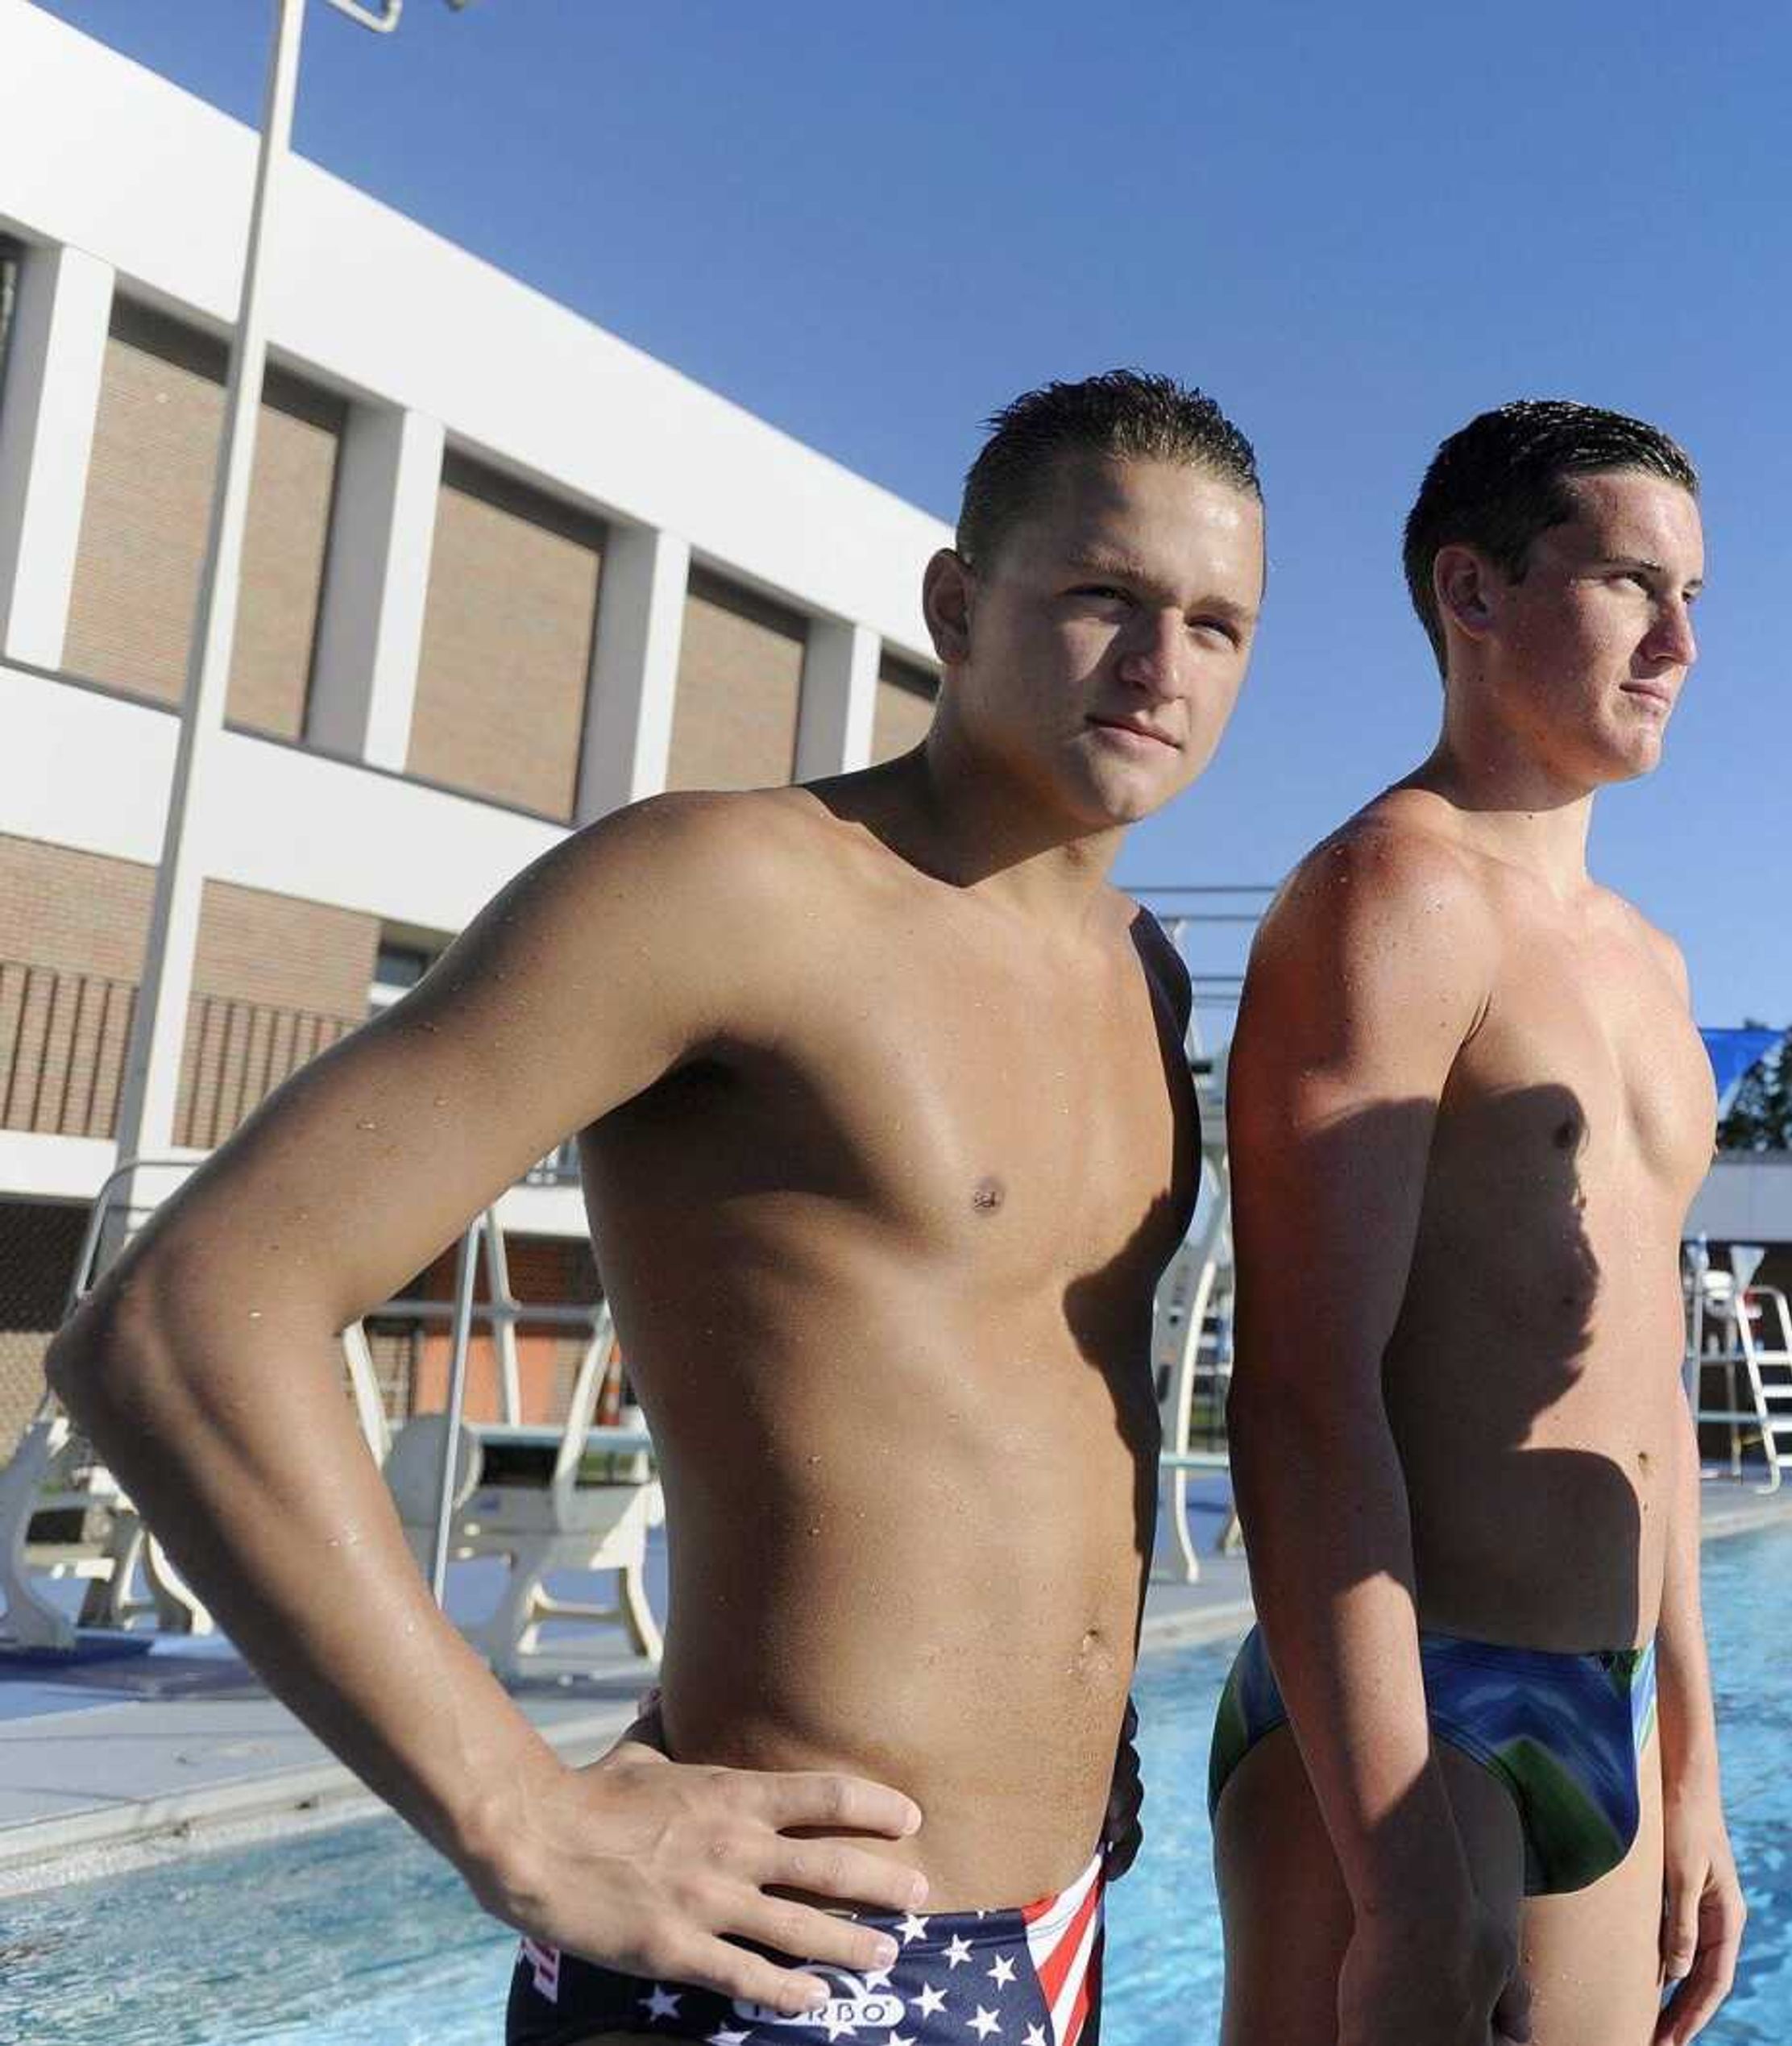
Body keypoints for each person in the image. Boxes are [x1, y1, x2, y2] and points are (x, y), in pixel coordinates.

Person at [44, 370, 1267, 2046]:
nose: (1160, 666)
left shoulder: (1149, 983)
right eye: (1105, 598)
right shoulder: (729, 890)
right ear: (957, 605)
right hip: (778, 1962)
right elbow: (179, 1324)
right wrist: (514, 1813)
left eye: (1217, 626)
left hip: (1059, 1928)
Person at [1207, 400, 1744, 2046]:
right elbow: (1304, 1390)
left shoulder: (1645, 962)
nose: (1678, 642)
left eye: (1696, 600)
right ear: (1474, 590)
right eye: (1632, 585)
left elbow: (1644, 1382)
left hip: (1590, 1690)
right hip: (1401, 1705)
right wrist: (1401, 1869)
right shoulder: (1395, 896)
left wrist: (1690, 1758)